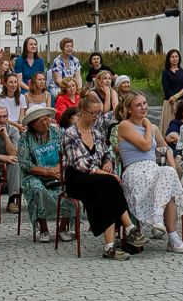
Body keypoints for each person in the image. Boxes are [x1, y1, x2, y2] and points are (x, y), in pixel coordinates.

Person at [62, 90, 147, 260]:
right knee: (110, 183)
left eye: (98, 113)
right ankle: (129, 228)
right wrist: (102, 172)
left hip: (98, 180)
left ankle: (109, 246)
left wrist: (108, 162)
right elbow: (81, 164)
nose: (95, 117)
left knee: (108, 190)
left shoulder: (97, 133)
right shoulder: (70, 134)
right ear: (82, 112)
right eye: (92, 113)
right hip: (77, 179)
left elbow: (107, 153)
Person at [114, 92, 183, 253]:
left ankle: (162, 222)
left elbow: (165, 146)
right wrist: (147, 125)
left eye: (145, 103)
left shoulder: (152, 128)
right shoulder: (125, 125)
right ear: (129, 109)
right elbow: (146, 146)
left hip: (153, 170)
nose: (144, 107)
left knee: (168, 174)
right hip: (135, 171)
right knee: (168, 185)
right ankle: (169, 233)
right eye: (138, 105)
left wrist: (170, 160)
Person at [17, 103, 72, 242]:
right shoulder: (25, 138)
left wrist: (58, 167)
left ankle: (63, 228)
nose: (45, 122)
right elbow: (24, 163)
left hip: (58, 171)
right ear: (33, 124)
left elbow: (67, 153)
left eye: (47, 118)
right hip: (35, 174)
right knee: (36, 188)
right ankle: (43, 229)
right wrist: (46, 171)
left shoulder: (57, 132)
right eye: (41, 121)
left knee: (71, 186)